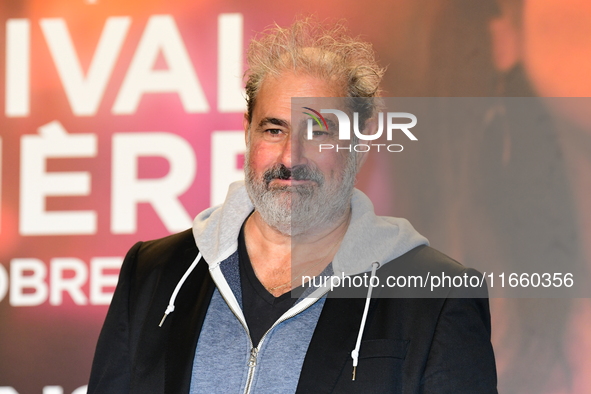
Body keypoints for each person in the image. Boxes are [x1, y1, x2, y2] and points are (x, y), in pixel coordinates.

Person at [88, 18, 497, 394]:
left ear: (360, 143)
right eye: (273, 128)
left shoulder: (437, 297)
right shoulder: (154, 273)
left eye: (318, 131)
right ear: (247, 131)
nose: (290, 157)